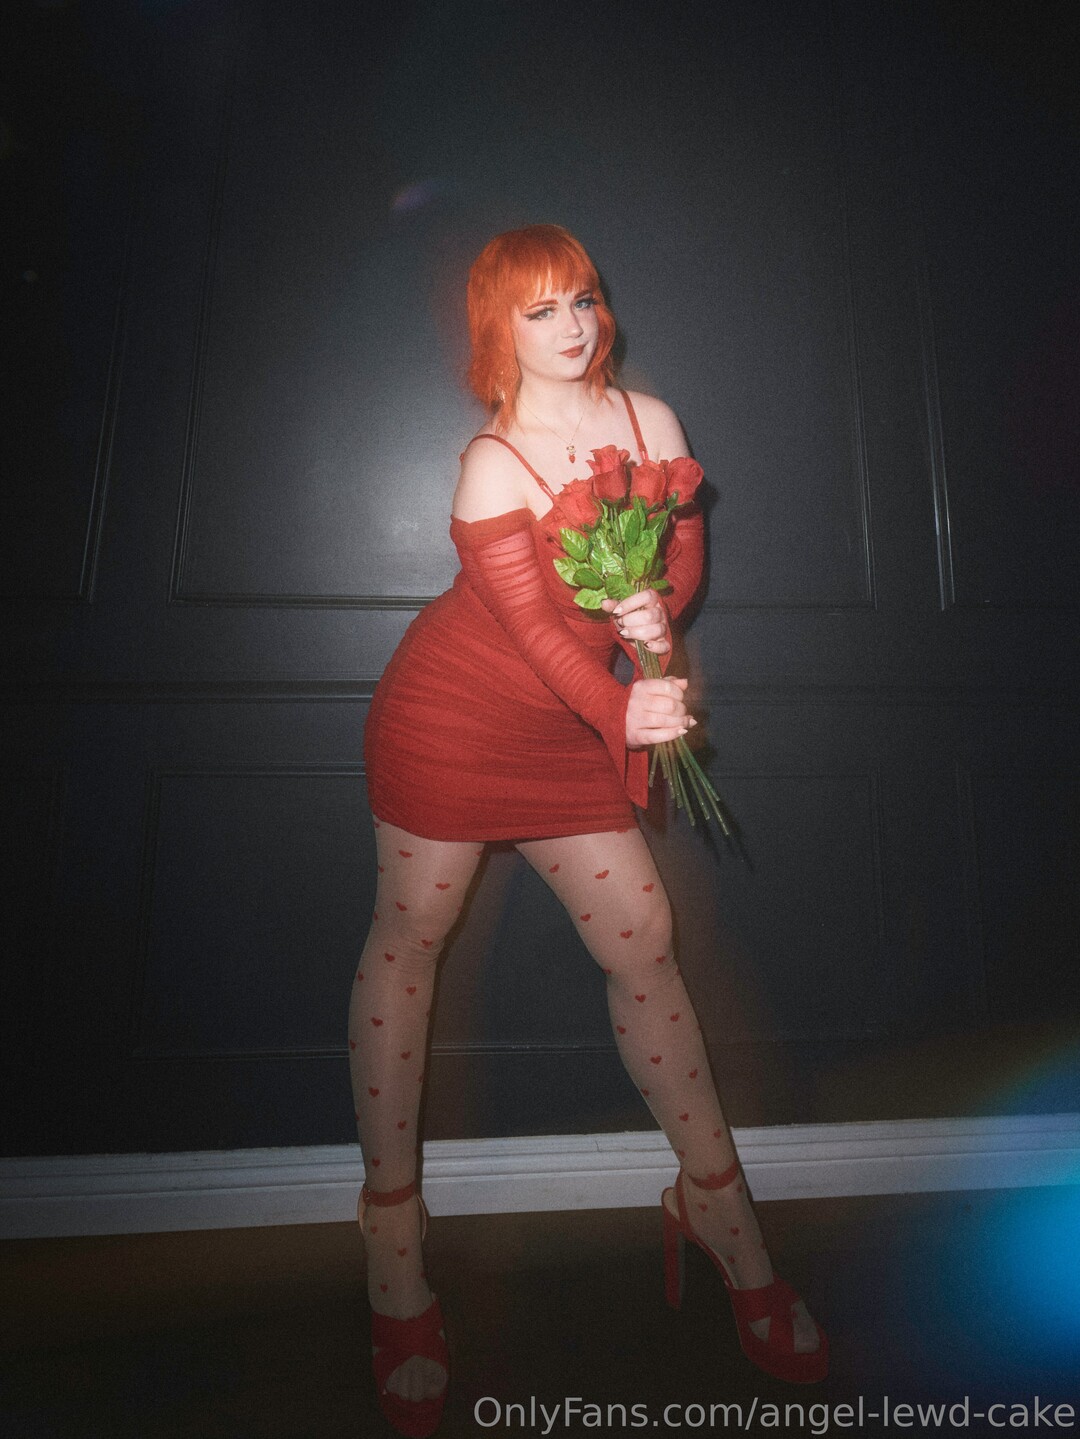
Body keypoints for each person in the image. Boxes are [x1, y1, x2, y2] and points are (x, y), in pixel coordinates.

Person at [352, 224, 827, 1437]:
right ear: (496, 330)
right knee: (412, 939)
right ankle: (393, 1249)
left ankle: (718, 1208)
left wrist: (656, 615)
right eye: (540, 309)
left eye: (583, 300)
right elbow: (536, 637)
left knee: (644, 938)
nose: (572, 326)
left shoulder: (647, 418)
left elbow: (681, 565)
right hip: (455, 721)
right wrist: (628, 704)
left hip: (572, 733)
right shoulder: (491, 461)